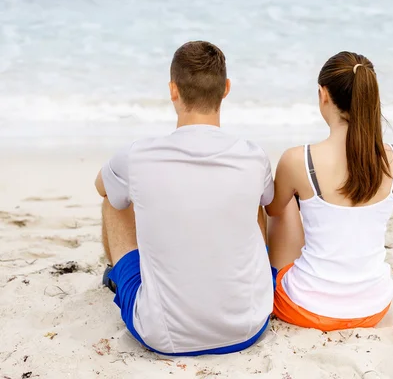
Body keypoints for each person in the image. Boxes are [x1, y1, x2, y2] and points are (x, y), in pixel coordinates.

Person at [95, 41, 274, 355]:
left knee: (114, 197)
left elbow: (102, 187)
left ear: (173, 90)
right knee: (256, 201)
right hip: (247, 326)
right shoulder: (253, 156)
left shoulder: (137, 156)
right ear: (226, 89)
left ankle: (116, 275)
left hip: (163, 336)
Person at [266, 51, 393, 331]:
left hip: (305, 309)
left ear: (323, 95)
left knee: (282, 204)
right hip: (374, 307)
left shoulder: (299, 159)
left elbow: (272, 210)